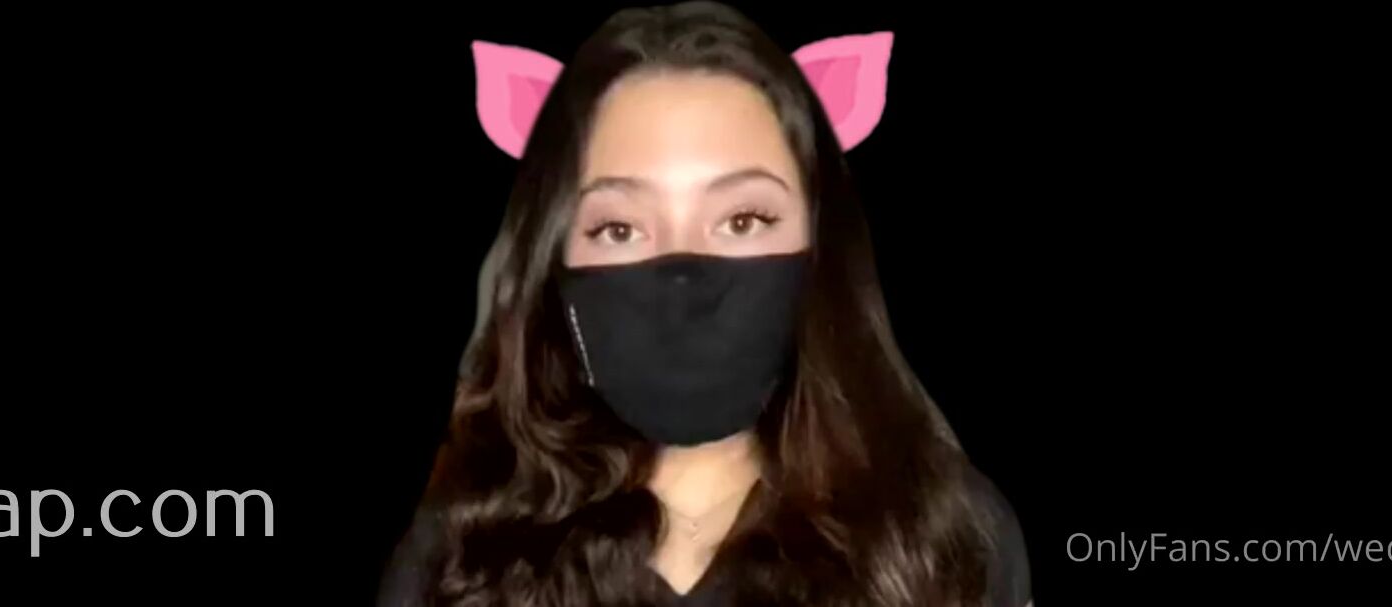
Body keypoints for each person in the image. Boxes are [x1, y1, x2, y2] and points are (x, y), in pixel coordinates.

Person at [380, 2, 1030, 605]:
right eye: (619, 228)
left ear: (819, 248)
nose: (683, 272)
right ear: (554, 263)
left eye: (742, 220)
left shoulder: (950, 537)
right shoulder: (457, 552)